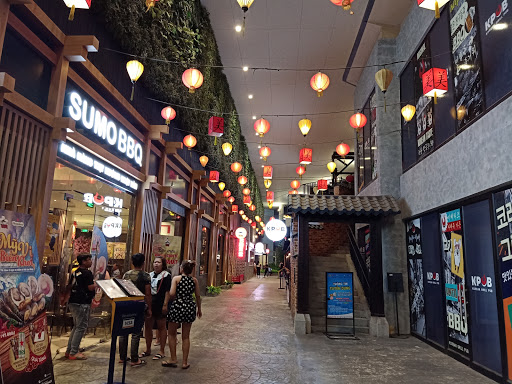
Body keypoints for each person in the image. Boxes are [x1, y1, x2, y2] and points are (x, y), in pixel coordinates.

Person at [162, 260, 201, 369]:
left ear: (182, 269)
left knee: (172, 334)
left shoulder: (176, 279)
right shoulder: (195, 281)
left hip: (177, 307)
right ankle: (184, 362)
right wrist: (199, 309)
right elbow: (198, 296)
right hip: (189, 308)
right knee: (186, 336)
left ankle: (173, 358)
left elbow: (172, 293)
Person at [118, 253, 151, 367]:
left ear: (132, 262)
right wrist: (149, 308)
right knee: (136, 332)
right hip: (139, 305)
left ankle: (122, 357)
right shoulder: (146, 276)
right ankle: (134, 359)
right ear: (143, 263)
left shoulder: (126, 274)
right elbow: (147, 293)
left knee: (123, 331)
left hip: (126, 304)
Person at [65, 253, 97, 360]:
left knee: (76, 326)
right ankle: (74, 352)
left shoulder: (75, 272)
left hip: (73, 301)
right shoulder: (87, 273)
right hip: (82, 303)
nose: (91, 261)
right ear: (83, 261)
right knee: (81, 327)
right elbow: (90, 287)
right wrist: (98, 284)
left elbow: (70, 286)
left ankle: (69, 350)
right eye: (89, 260)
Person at [141, 256, 171, 360]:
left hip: (160, 303)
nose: (156, 264)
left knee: (161, 326)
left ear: (163, 264)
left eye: (158, 262)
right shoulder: (149, 275)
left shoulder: (167, 276)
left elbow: (167, 291)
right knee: (148, 326)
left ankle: (162, 351)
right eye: (155, 262)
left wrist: (165, 304)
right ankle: (148, 349)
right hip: (150, 303)